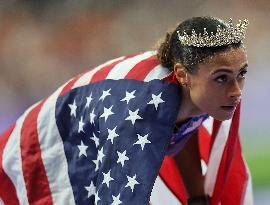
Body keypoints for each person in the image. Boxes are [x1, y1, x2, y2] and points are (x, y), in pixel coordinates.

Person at [0, 16, 252, 205]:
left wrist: (197, 197)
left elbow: (187, 126)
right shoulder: (139, 117)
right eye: (222, 78)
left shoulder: (204, 88)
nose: (236, 90)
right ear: (182, 75)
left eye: (241, 74)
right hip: (35, 153)